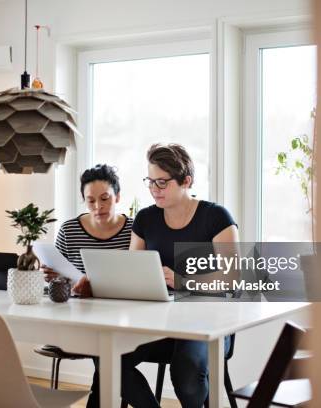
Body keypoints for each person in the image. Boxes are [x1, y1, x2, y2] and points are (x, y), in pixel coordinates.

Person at [125, 143, 239, 408]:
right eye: (150, 182)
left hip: (208, 325)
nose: (154, 189)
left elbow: (233, 277)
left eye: (162, 183)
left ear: (186, 181)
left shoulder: (216, 217)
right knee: (107, 357)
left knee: (186, 375)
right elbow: (132, 271)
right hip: (158, 323)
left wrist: (182, 282)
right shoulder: (145, 219)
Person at [41, 164, 132, 408]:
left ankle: (97, 400)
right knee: (106, 356)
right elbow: (55, 282)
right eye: (90, 201)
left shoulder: (134, 231)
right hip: (79, 318)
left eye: (105, 199)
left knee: (109, 353)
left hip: (123, 318)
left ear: (118, 197)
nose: (98, 207)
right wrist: (52, 277)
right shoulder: (70, 230)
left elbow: (138, 278)